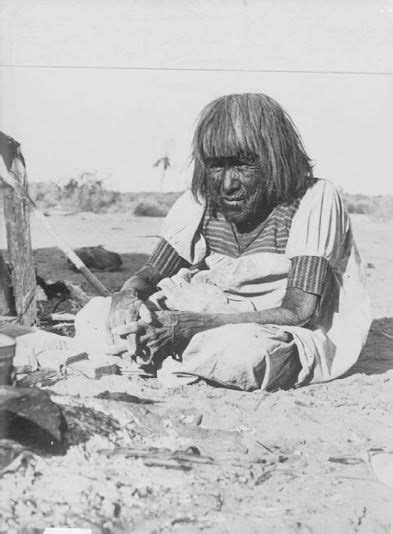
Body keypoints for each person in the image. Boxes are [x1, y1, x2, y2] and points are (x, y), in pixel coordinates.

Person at [105, 93, 371, 391]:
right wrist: (126, 297)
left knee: (241, 354)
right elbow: (150, 274)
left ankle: (159, 353)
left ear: (275, 159)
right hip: (196, 315)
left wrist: (187, 326)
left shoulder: (313, 199)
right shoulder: (199, 203)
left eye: (243, 165)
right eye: (216, 166)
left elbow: (299, 312)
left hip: (270, 330)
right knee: (99, 316)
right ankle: (161, 348)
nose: (227, 184)